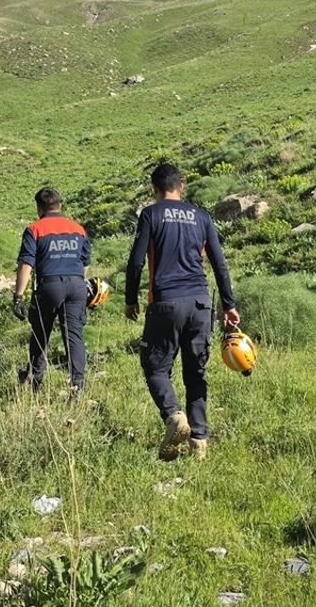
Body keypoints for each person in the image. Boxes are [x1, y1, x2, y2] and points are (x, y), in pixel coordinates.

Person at [125, 163, 241, 461]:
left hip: (166, 302)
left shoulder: (150, 214)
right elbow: (219, 263)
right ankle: (199, 442)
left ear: (155, 189)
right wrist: (229, 304)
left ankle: (174, 416)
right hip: (201, 303)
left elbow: (137, 261)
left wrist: (130, 299)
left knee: (155, 367)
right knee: (196, 372)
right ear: (182, 185)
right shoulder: (201, 216)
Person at [13, 187, 92, 393]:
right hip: (76, 285)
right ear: (60, 206)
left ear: (39, 208)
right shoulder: (78, 229)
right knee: (73, 335)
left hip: (49, 286)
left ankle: (35, 380)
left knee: (40, 332)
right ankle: (78, 385)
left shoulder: (35, 229)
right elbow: (85, 263)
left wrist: (18, 296)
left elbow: (26, 265)